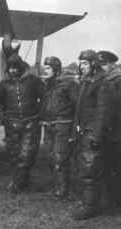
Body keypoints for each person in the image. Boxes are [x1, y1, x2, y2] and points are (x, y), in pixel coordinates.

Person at [0, 53, 44, 194]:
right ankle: (23, 181)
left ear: (21, 67)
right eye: (10, 68)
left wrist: (38, 114)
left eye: (15, 68)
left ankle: (17, 184)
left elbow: (44, 98)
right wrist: (3, 116)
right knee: (14, 155)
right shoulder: (3, 84)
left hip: (31, 123)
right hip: (12, 124)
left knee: (27, 154)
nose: (12, 71)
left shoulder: (33, 80)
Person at [72, 49, 113, 220]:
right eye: (80, 63)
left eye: (85, 63)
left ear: (93, 64)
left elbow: (103, 111)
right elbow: (80, 109)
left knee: (90, 170)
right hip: (84, 131)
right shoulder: (86, 81)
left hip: (92, 132)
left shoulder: (102, 83)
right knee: (85, 168)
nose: (81, 67)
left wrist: (96, 136)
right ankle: (88, 202)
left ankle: (89, 207)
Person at [97, 50, 121, 207]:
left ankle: (120, 198)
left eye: (104, 64)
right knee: (104, 164)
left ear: (112, 65)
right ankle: (109, 196)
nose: (101, 67)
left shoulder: (120, 81)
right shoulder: (103, 80)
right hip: (104, 129)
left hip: (115, 131)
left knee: (117, 165)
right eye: (99, 64)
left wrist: (114, 128)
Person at [40, 56, 79, 199]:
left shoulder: (68, 84)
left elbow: (77, 106)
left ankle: (63, 189)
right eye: (45, 67)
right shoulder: (46, 85)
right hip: (48, 124)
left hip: (62, 125)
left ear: (56, 69)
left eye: (48, 67)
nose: (45, 70)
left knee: (60, 158)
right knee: (50, 156)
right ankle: (57, 185)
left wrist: (75, 126)